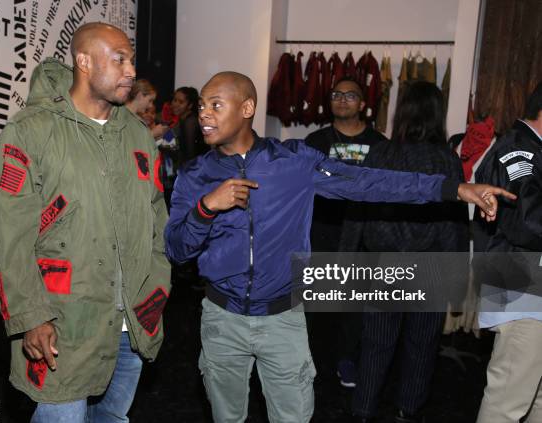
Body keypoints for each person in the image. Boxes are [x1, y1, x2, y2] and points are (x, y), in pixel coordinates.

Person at [163, 71, 515, 423]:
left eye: (216, 105)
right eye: (201, 106)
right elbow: (177, 250)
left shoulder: (292, 161)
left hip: (282, 319)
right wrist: (206, 208)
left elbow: (369, 182)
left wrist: (453, 189)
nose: (204, 114)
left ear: (247, 108)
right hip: (222, 320)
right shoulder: (195, 175)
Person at [0, 23, 171, 423]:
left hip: (132, 325)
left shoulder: (137, 137)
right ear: (84, 62)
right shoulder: (32, 131)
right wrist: (31, 317)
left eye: (131, 60)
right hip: (63, 327)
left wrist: (157, 288)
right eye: (119, 59)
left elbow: (157, 223)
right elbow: (5, 236)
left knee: (113, 418)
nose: (131, 70)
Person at [346, 81, 469, 423]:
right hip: (430, 266)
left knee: (375, 343)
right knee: (421, 345)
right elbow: (453, 226)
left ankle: (363, 409)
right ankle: (408, 409)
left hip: (384, 262)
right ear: (437, 114)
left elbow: (358, 209)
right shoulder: (447, 160)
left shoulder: (381, 153)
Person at [305, 77, 387, 388]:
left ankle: (346, 359)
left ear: (363, 104)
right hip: (320, 231)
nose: (342, 100)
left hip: (363, 235)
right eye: (337, 94)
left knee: (354, 305)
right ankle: (309, 360)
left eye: (350, 95)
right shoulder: (314, 141)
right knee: (314, 305)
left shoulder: (380, 145)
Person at [475, 82, 542, 423]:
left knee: (536, 398)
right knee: (508, 399)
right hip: (523, 284)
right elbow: (527, 222)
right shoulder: (520, 150)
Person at [170, 86, 208, 166]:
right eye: (174, 100)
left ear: (190, 105)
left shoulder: (190, 122)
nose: (175, 104)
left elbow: (190, 154)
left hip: (196, 169)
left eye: (181, 102)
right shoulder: (183, 119)